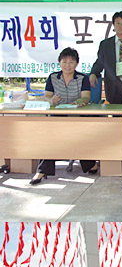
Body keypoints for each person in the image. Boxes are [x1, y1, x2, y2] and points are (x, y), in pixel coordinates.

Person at [30, 47, 97, 185]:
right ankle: (42, 170)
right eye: (64, 62)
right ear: (59, 63)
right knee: (50, 135)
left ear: (77, 63)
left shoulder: (82, 78)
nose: (67, 65)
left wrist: (79, 101)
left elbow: (86, 97)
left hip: (77, 114)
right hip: (58, 114)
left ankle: (90, 164)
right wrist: (51, 100)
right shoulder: (53, 77)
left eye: (71, 62)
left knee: (80, 132)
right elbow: (47, 96)